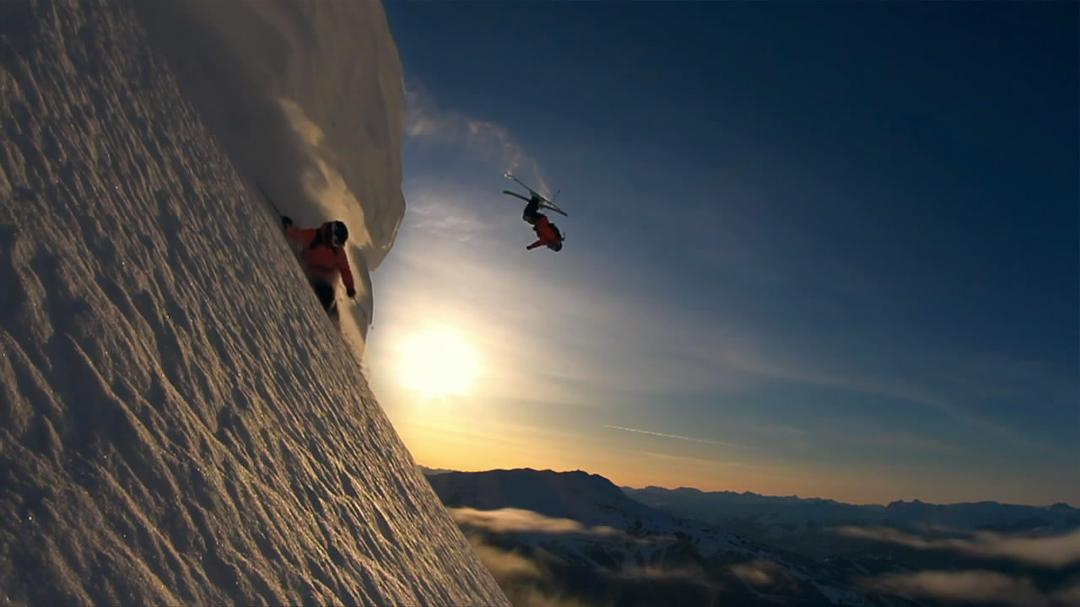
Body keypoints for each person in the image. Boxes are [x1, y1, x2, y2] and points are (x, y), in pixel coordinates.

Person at [281, 216, 356, 318]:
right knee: (323, 294)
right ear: (331, 235)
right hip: (309, 272)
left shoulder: (338, 253)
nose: (336, 246)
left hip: (325, 280)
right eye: (336, 242)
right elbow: (298, 235)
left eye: (338, 244)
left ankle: (330, 314)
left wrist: (350, 287)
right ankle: (317, 314)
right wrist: (288, 227)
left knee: (327, 296)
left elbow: (345, 270)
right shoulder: (315, 237)